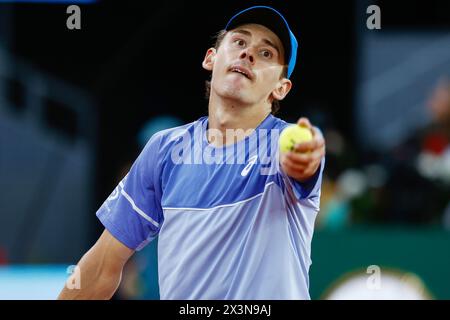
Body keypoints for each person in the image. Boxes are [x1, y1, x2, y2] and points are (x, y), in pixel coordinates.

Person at [58, 5, 326, 300]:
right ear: (211, 58)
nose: (248, 53)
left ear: (281, 87)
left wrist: (305, 158)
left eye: (266, 54)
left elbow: (305, 161)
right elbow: (100, 268)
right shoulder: (164, 150)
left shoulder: (283, 143)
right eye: (239, 42)